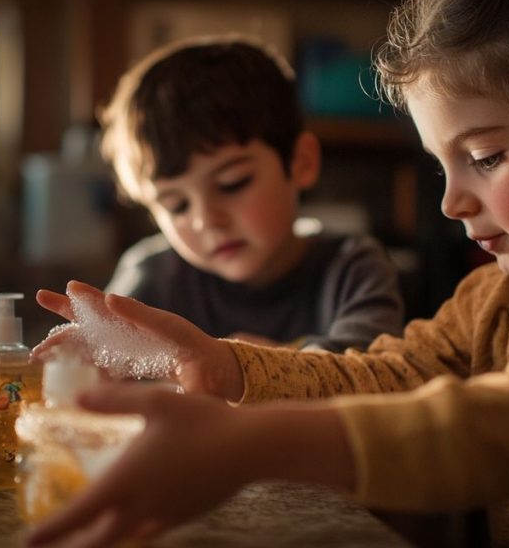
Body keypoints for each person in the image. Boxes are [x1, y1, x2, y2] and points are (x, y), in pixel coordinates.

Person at [27, 0, 509, 545]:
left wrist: (244, 442)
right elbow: (385, 375)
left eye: (485, 156)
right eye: (442, 167)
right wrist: (224, 365)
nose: (452, 201)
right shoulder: (497, 295)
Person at [97, 34, 404, 352]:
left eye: (233, 183)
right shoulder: (153, 277)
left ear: (301, 162)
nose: (207, 221)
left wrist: (251, 370)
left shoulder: (352, 269)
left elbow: (368, 373)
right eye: (176, 205)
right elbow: (97, 363)